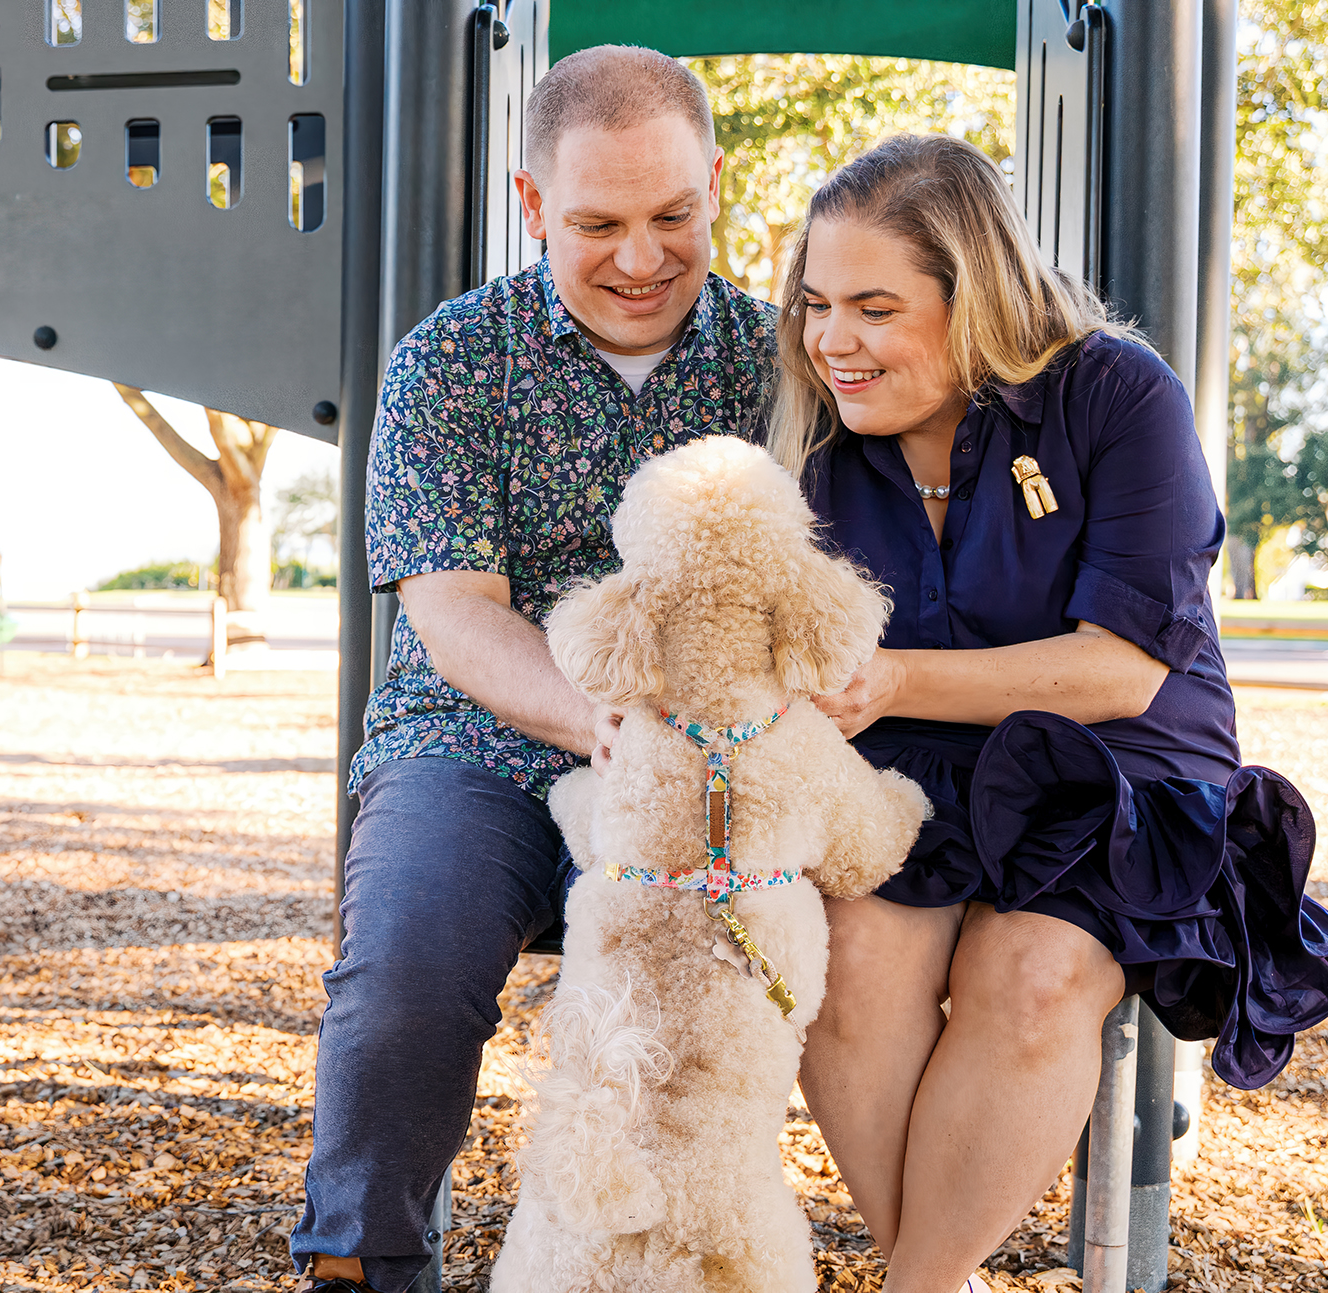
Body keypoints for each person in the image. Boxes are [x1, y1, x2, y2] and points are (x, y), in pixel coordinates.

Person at [775, 135, 1328, 1293]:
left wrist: (888, 679)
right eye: (816, 304)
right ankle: (933, 1279)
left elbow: (1118, 671)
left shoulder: (1115, 395)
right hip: (906, 769)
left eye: (875, 307)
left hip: (1117, 776)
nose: (832, 340)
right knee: (842, 958)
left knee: (1031, 973)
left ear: (975, 294)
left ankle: (916, 1283)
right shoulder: (813, 435)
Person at [290, 47, 776, 1293]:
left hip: (713, 754)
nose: (637, 258)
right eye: (596, 224)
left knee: (770, 988)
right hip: (476, 740)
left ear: (716, 183)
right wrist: (607, 720)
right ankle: (364, 1263)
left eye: (672, 216)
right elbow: (454, 615)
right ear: (530, 204)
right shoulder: (447, 362)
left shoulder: (780, 366)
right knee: (404, 969)